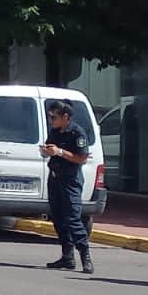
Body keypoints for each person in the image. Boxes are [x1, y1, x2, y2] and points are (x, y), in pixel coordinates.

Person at [41, 100, 95, 274]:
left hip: (70, 180)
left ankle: (85, 256)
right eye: (50, 117)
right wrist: (46, 151)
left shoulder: (77, 133)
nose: (51, 120)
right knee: (58, 218)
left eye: (53, 117)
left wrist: (61, 152)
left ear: (66, 117)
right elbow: (51, 148)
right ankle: (67, 256)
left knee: (73, 219)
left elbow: (82, 158)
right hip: (55, 179)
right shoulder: (56, 132)